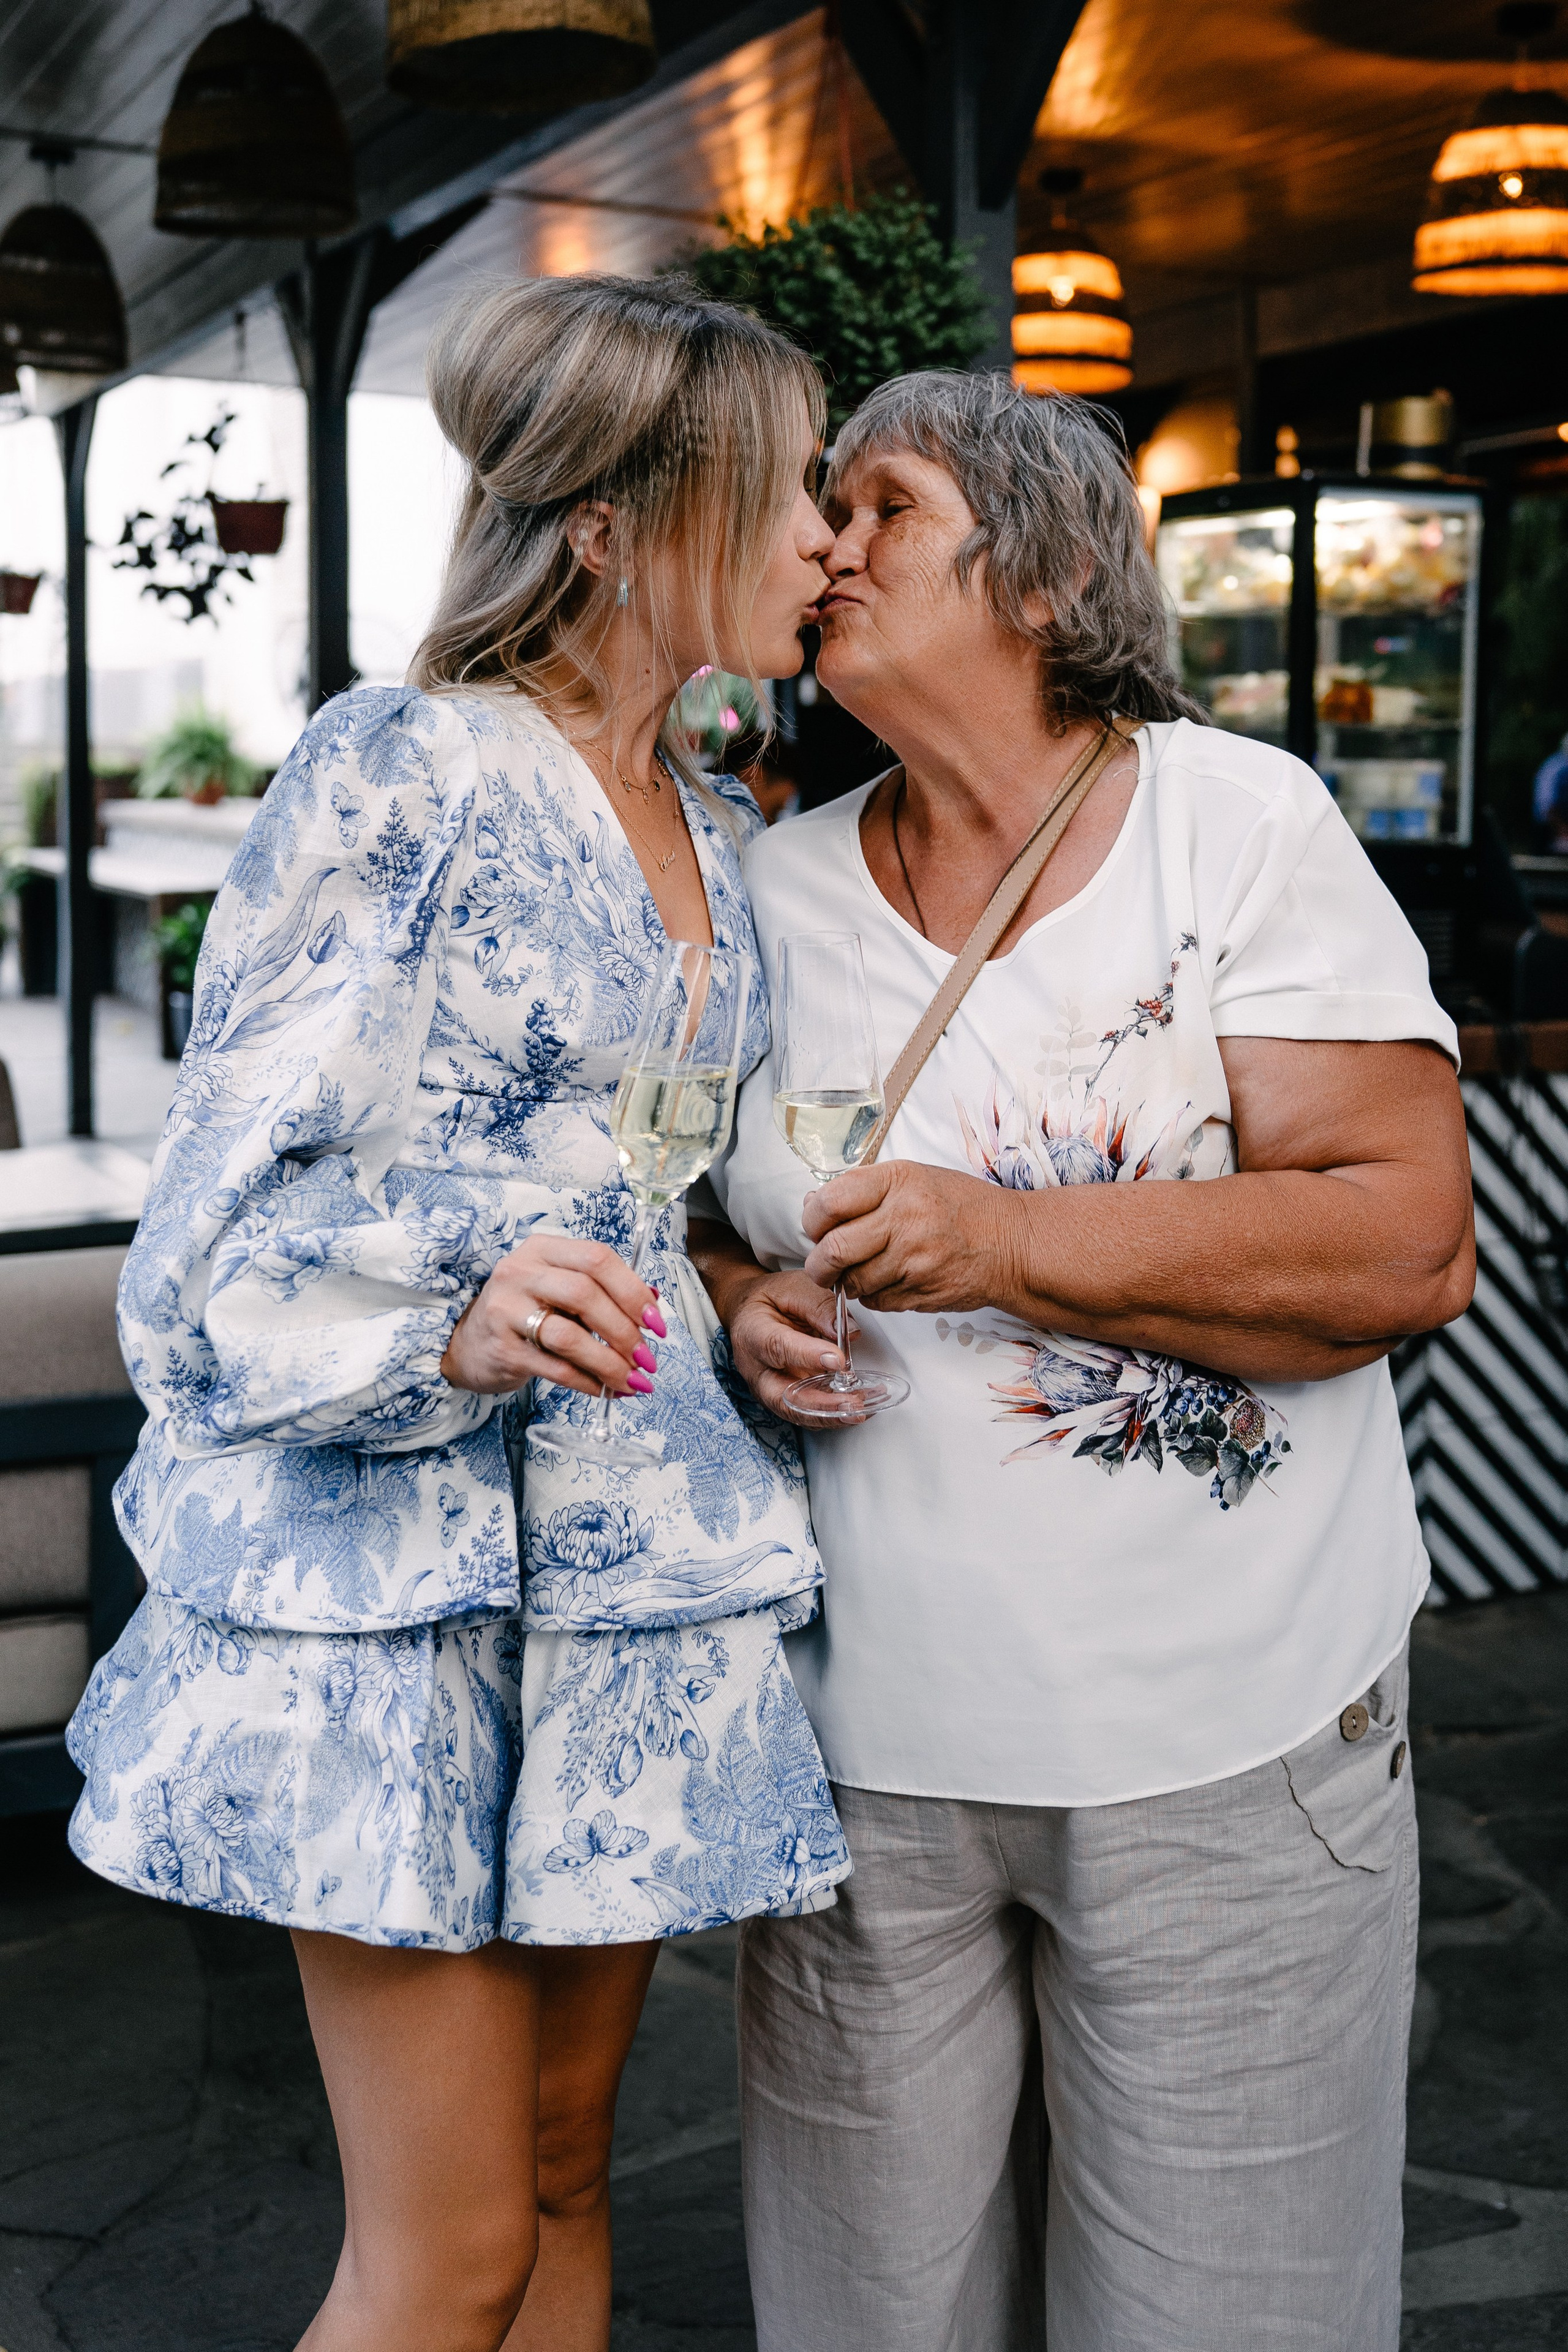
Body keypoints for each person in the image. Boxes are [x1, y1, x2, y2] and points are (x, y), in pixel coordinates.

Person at [66, 274, 848, 2352]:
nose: (828, 538)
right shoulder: (400, 770)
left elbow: (650, 1190)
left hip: (636, 1583)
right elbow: (215, 1232)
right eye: (793, 493)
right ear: (614, 522)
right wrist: (454, 1311)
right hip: (395, 1592)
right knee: (453, 2249)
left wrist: (728, 1297)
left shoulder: (720, 821)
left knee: (575, 2179)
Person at [692, 369, 1476, 2352]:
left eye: (879, 504)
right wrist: (728, 1295)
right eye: (822, 509)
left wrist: (1013, 1238)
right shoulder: (768, 889)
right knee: (872, 2319)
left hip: (1222, 1747)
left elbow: (1405, 1234)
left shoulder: (1235, 825)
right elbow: (692, 1209)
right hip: (859, 1761)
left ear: (1035, 573)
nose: (827, 544)